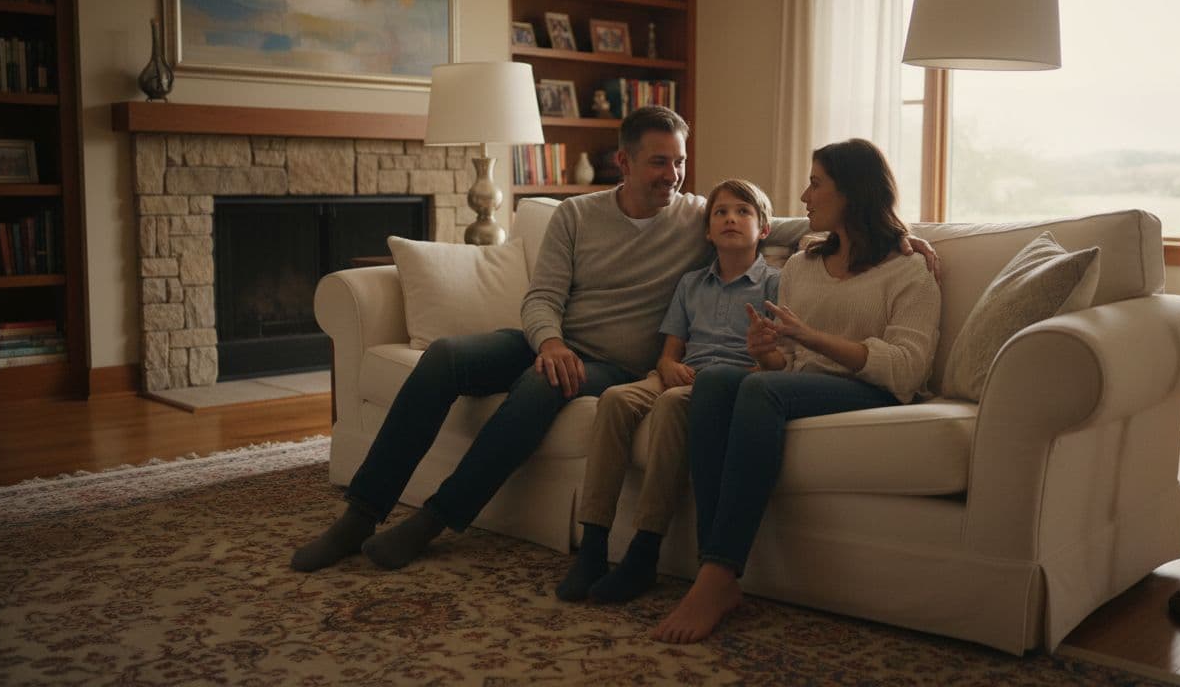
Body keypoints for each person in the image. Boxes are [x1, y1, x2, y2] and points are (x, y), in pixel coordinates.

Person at [290, 105, 814, 573]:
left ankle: (434, 520)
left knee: (539, 389)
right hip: (555, 340)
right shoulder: (577, 215)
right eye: (659, 162)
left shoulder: (693, 215)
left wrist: (861, 231)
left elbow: (769, 220)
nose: (672, 175)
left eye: (679, 162)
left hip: (616, 363)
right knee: (446, 356)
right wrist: (549, 342)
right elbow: (541, 297)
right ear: (624, 163)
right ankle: (360, 516)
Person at [651, 138, 941, 643]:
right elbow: (785, 364)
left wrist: (811, 337)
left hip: (871, 388)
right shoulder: (804, 264)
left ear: (852, 192)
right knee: (719, 380)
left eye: (815, 183)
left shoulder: (910, 272)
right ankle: (710, 571)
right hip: (804, 382)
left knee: (763, 393)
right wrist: (765, 349)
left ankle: (719, 573)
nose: (804, 196)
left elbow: (906, 369)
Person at [556, 179, 780, 603]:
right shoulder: (691, 283)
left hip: (728, 383)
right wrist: (670, 366)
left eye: (744, 212)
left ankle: (644, 551)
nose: (731, 218)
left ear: (765, 229)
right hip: (681, 372)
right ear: (707, 232)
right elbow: (667, 354)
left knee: (674, 405)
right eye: (721, 213)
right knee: (615, 398)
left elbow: (779, 360)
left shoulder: (774, 284)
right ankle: (593, 545)